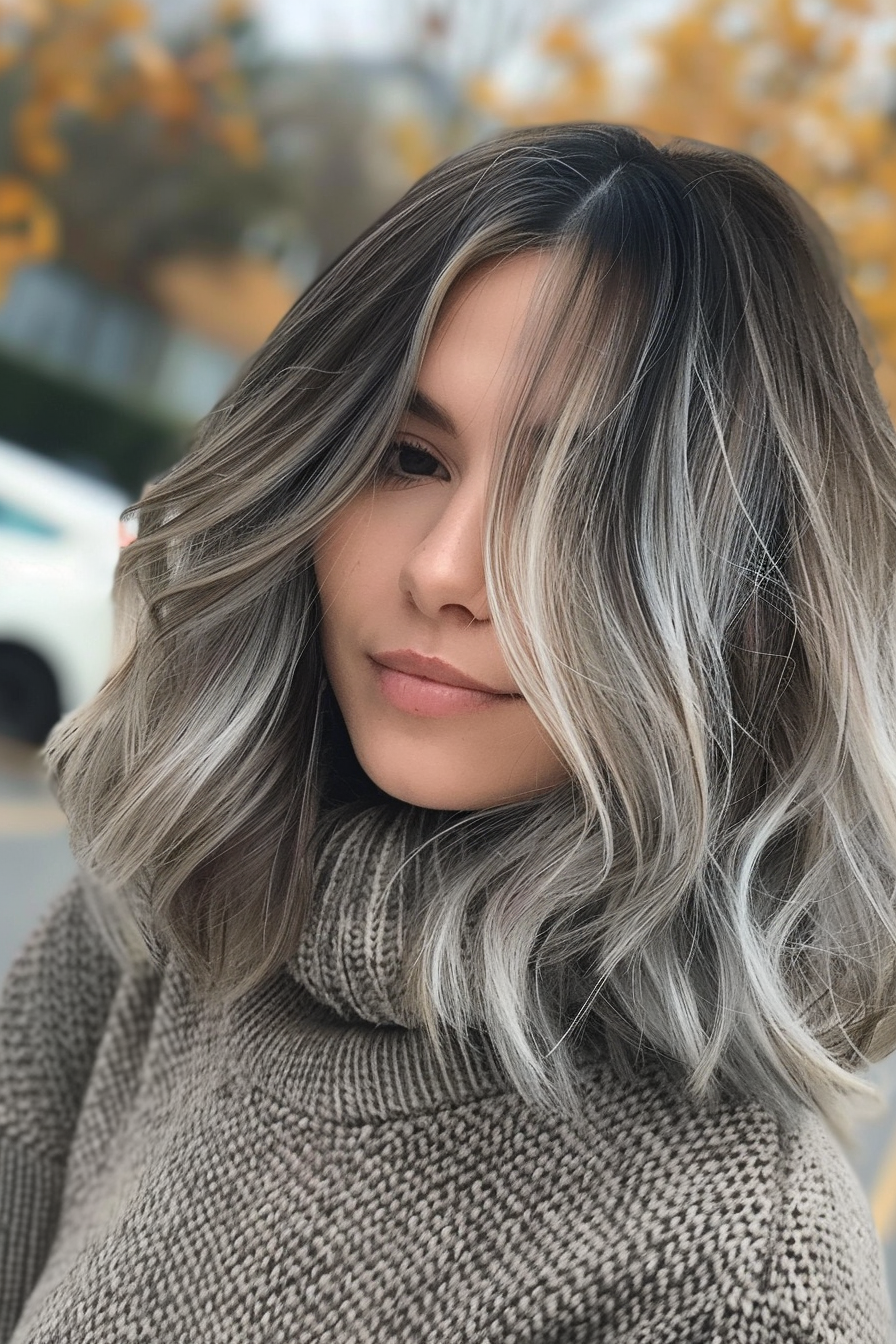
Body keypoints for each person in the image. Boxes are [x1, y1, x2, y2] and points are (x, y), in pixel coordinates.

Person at [2, 121, 895, 1342]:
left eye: (574, 506)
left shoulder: (738, 1280)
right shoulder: (167, 910)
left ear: (745, 601)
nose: (441, 571)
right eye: (408, 456)